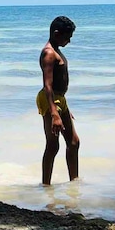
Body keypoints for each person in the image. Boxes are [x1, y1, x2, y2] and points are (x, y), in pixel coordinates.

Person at [38, 15, 79, 184]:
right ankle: (46, 185)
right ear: (56, 34)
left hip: (60, 100)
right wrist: (54, 112)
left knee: (74, 142)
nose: (69, 41)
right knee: (53, 145)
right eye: (67, 37)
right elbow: (48, 85)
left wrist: (64, 108)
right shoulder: (49, 53)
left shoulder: (56, 50)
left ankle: (74, 183)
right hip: (50, 99)